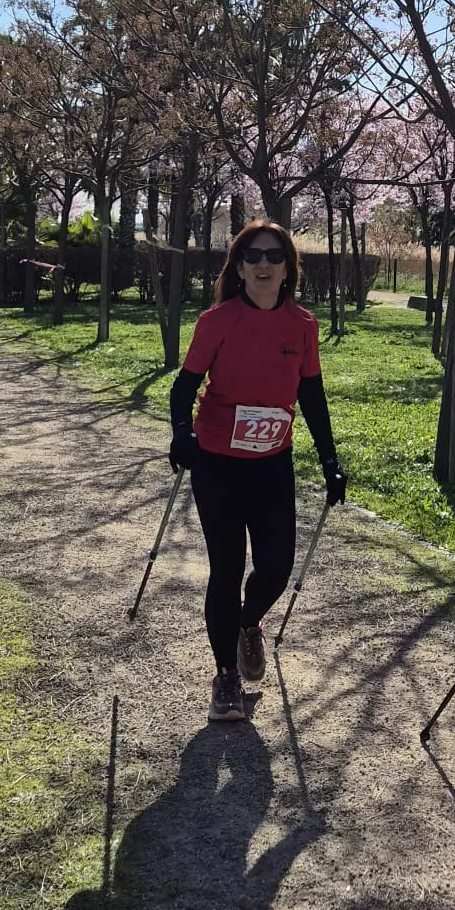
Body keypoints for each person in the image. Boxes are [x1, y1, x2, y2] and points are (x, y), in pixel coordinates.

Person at [168, 221, 347, 725]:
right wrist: (182, 433)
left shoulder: (303, 326)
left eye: (273, 256)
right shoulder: (217, 321)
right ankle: (226, 677)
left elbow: (311, 395)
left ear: (289, 268)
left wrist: (330, 460)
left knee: (276, 567)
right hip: (218, 462)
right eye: (253, 256)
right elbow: (184, 388)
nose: (263, 264)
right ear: (240, 268)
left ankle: (249, 624)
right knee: (226, 569)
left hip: (272, 462)